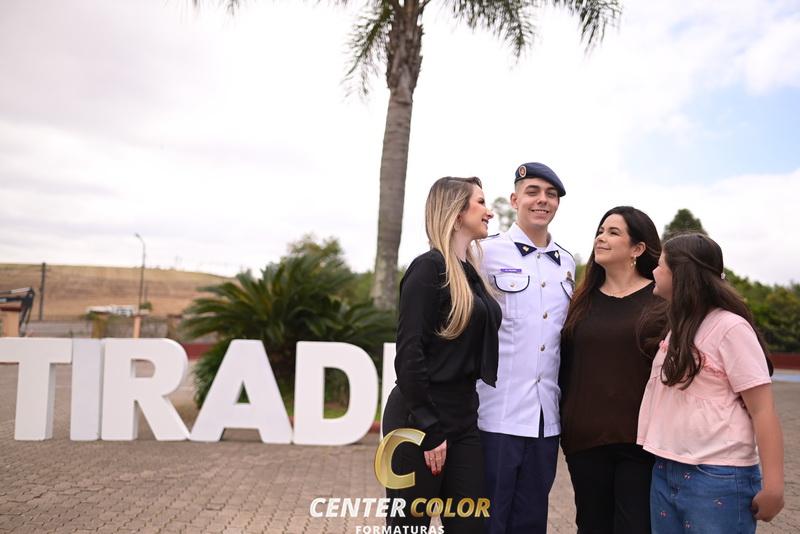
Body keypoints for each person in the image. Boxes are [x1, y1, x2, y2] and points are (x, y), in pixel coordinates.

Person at [638, 233, 785, 534]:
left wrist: (774, 487)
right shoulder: (678, 329)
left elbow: (763, 410)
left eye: (661, 264)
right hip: (666, 468)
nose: (654, 270)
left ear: (681, 275)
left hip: (717, 476)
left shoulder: (730, 328)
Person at [382, 176, 502, 533]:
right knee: (409, 526)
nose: (489, 212)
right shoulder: (428, 269)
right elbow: (409, 354)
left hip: (463, 418)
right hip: (419, 420)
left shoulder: (471, 275)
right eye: (481, 203)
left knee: (471, 525)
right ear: (457, 211)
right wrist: (429, 428)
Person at [476, 162, 575, 533]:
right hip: (495, 415)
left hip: (545, 421)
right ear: (515, 200)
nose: (542, 200)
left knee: (532, 522)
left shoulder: (566, 263)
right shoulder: (483, 253)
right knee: (487, 522)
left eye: (551, 194)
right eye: (532, 192)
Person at [559, 206, 666, 534]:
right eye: (600, 231)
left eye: (613, 232)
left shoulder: (662, 301)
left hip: (641, 444)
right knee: (591, 526)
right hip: (584, 441)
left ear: (638, 248)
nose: (601, 238)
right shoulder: (579, 301)